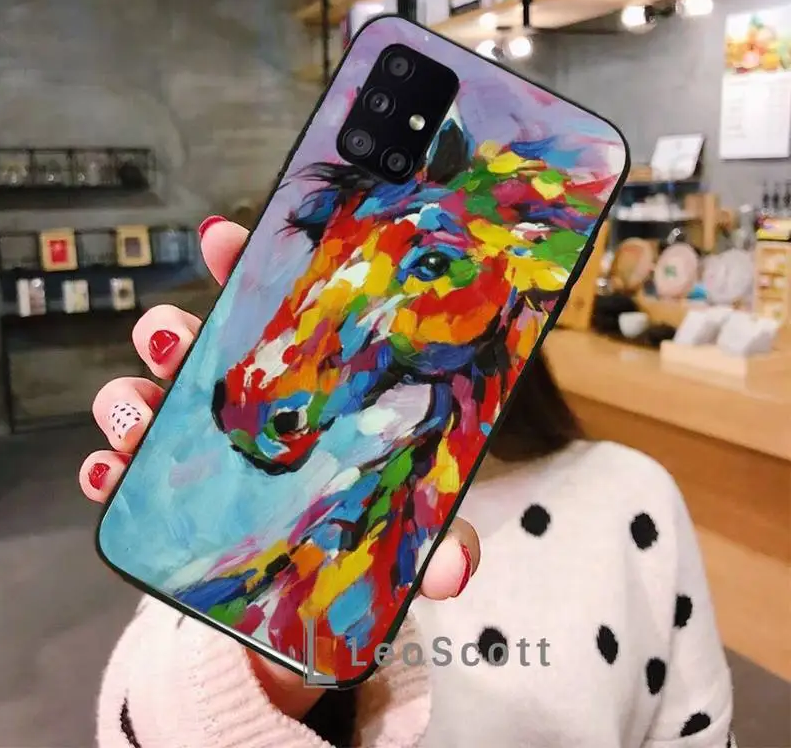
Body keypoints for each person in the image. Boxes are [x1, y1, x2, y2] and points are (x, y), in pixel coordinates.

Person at [79, 216, 736, 748]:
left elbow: (696, 730)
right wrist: (263, 670)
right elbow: (141, 721)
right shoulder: (245, 514)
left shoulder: (630, 497)